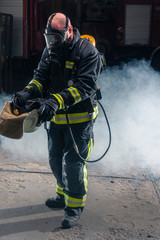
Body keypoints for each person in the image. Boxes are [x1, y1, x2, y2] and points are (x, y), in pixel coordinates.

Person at [13, 12, 103, 228]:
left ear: (69, 31)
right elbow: (40, 77)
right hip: (57, 119)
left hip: (80, 120)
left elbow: (84, 87)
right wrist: (26, 93)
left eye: (56, 38)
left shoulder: (88, 52)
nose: (52, 43)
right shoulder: (50, 50)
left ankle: (74, 207)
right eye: (49, 38)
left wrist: (54, 102)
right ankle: (63, 195)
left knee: (72, 164)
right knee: (55, 161)